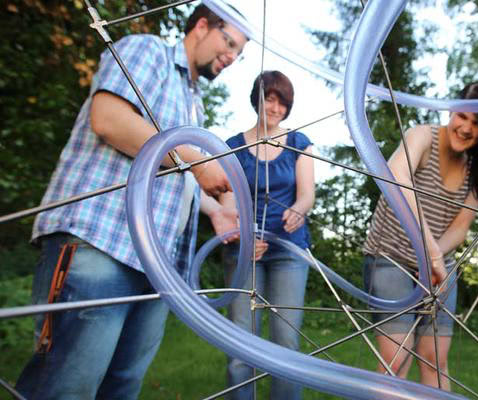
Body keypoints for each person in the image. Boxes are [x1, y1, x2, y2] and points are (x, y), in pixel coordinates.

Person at [15, 4, 248, 399]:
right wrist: (195, 159)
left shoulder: (194, 102)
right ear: (202, 25)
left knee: (120, 389)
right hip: (99, 244)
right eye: (229, 43)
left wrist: (218, 212)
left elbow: (173, 180)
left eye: (238, 54)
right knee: (66, 387)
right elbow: (108, 119)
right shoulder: (147, 50)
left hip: (156, 267)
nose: (231, 57)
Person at [363, 82, 478, 390]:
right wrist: (429, 251)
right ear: (452, 110)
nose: (466, 128)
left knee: (435, 360)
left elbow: (460, 227)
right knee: (396, 363)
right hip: (390, 257)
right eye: (463, 117)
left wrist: (435, 257)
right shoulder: (423, 136)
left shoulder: (476, 168)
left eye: (477, 124)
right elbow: (395, 175)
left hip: (437, 269)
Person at [209, 70, 315, 400]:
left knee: (286, 339)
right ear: (257, 99)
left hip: (289, 251)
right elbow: (226, 200)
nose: (275, 108)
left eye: (282, 102)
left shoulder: (300, 143)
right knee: (242, 341)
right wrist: (241, 237)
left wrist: (299, 209)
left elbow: (307, 193)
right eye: (270, 99)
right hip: (244, 251)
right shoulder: (232, 147)